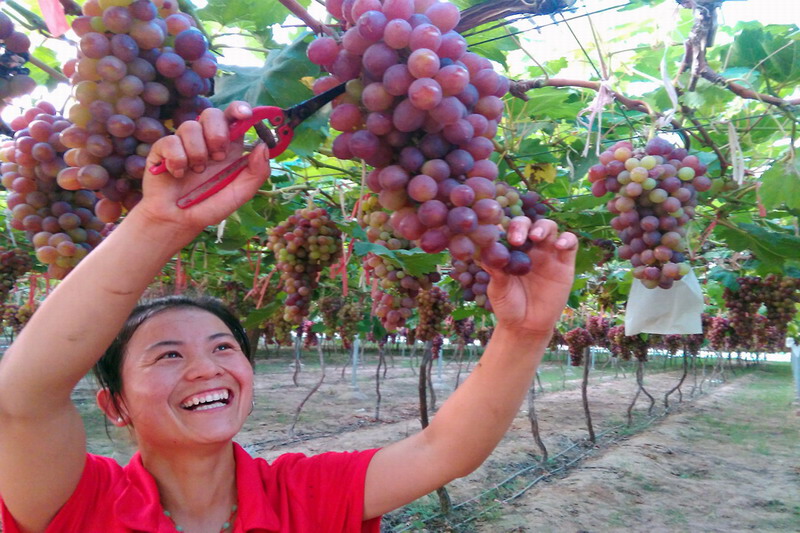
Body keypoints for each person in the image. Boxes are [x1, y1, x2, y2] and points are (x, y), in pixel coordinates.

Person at [0, 102, 578, 533]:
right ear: (114, 405)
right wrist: (158, 224)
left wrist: (524, 333)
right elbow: (22, 398)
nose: (207, 368)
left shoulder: (305, 494)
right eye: (168, 354)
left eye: (224, 348)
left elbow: (444, 452)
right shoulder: (78, 502)